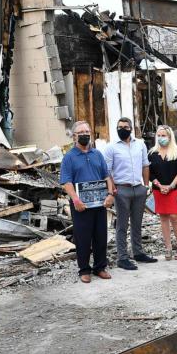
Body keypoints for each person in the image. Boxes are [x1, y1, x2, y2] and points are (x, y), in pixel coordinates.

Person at [60, 120, 116, 283]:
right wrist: (75, 199)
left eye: (87, 132)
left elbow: (106, 176)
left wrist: (110, 194)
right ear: (74, 136)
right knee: (83, 237)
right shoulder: (69, 157)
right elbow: (66, 181)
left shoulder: (97, 155)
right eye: (81, 133)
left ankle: (100, 267)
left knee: (100, 235)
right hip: (80, 204)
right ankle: (84, 269)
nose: (85, 135)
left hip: (99, 203)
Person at [102, 117, 157, 270]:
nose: (122, 129)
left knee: (137, 223)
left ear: (131, 129)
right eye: (119, 127)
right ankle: (122, 258)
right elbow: (107, 172)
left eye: (125, 127)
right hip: (121, 190)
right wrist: (112, 191)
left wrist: (146, 186)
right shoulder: (111, 147)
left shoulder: (140, 144)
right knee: (122, 225)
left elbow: (146, 165)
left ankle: (138, 253)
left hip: (138, 188)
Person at [148, 125, 177, 260]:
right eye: (159, 135)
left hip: (173, 189)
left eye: (163, 135)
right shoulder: (152, 153)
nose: (161, 138)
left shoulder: (176, 151)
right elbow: (150, 173)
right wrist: (159, 185)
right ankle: (168, 247)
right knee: (163, 218)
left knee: (174, 217)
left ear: (169, 137)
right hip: (158, 190)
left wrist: (170, 186)